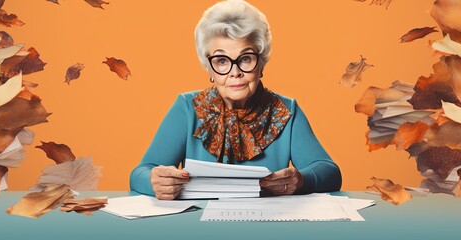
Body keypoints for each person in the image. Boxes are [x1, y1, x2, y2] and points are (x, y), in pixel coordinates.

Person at [130, 0, 342, 200]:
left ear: (261, 62)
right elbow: (139, 173)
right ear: (209, 67)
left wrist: (302, 180)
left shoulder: (286, 110)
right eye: (222, 61)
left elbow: (330, 172)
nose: (235, 72)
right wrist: (154, 181)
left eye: (245, 58)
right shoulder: (187, 107)